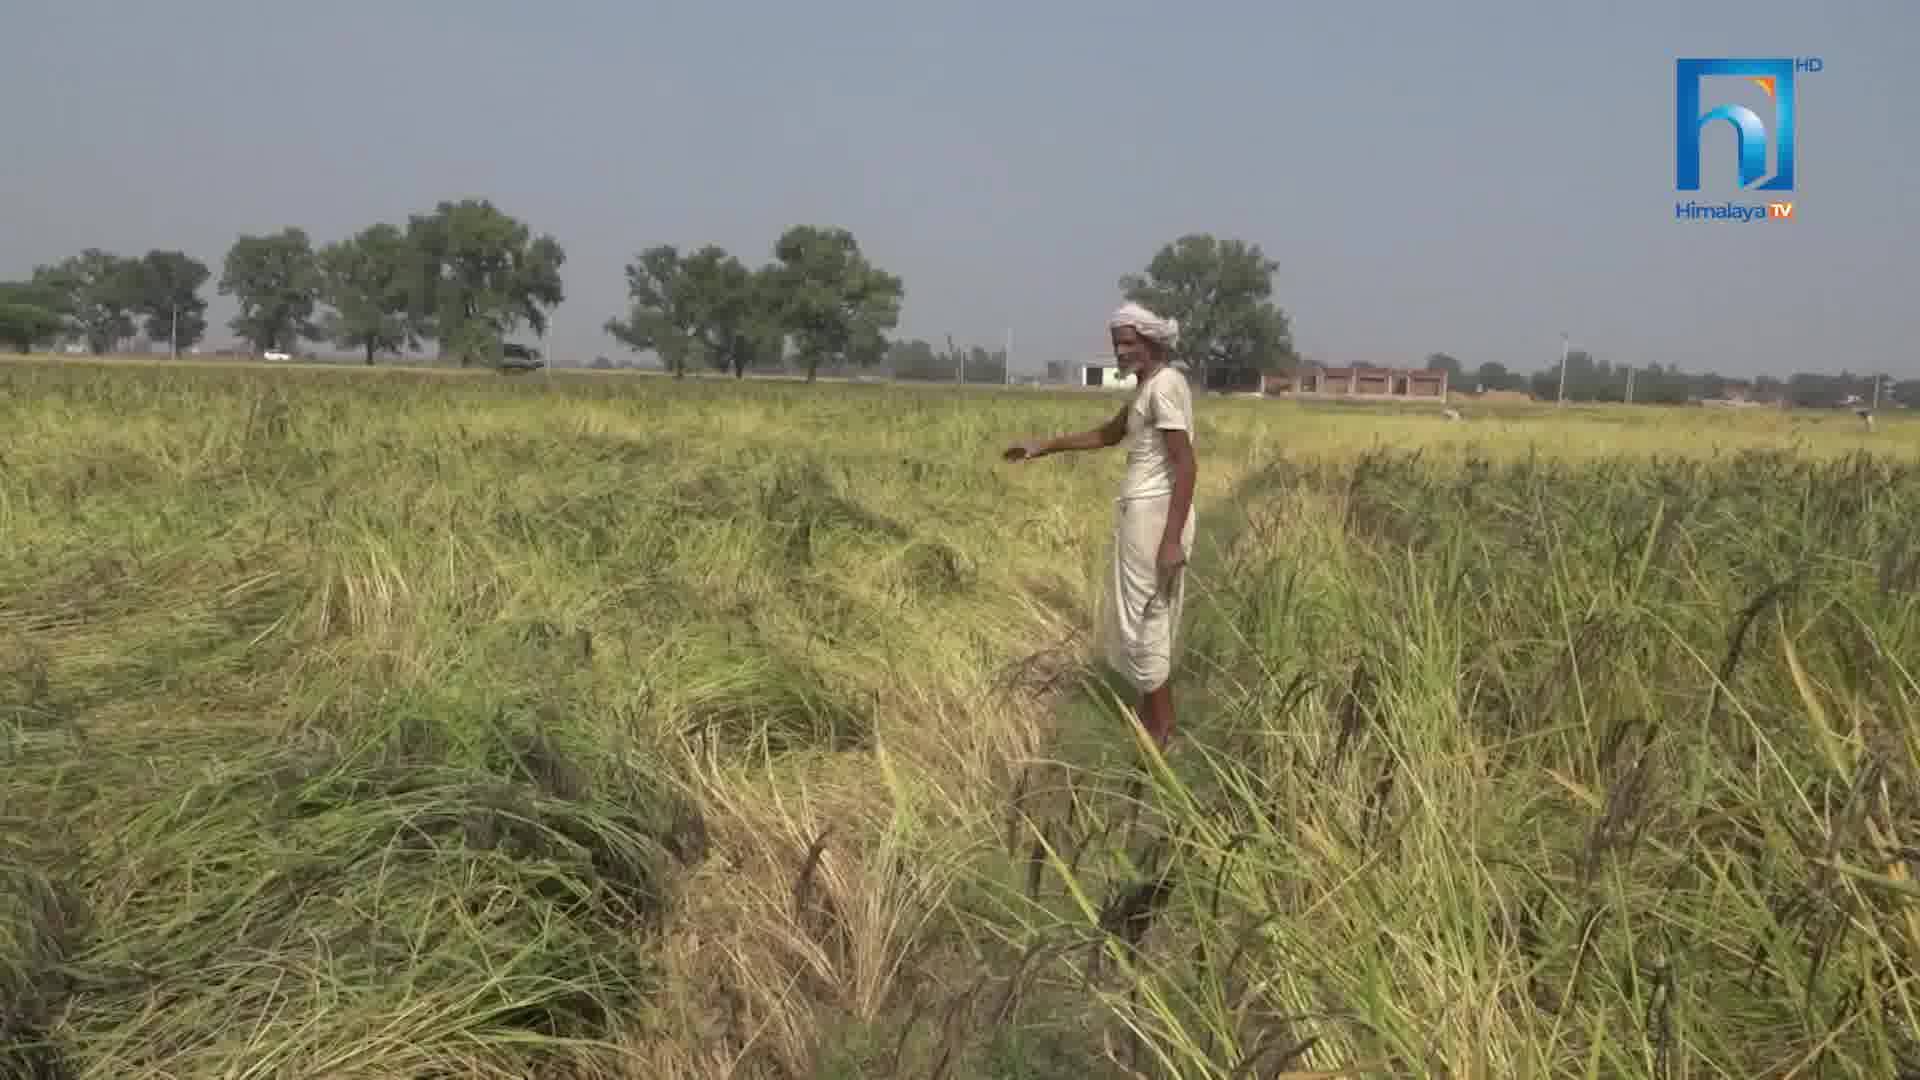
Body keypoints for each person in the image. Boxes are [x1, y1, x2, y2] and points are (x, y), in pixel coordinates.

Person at [1003, 302, 1198, 749]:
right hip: (1146, 514)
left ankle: (1163, 732)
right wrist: (1044, 446)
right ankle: (1151, 715)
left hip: (1155, 516)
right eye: (1117, 345)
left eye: (1129, 343)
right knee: (1147, 614)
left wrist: (1170, 540)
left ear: (1151, 341)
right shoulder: (1149, 388)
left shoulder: (1164, 386)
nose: (1121, 352)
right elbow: (1108, 434)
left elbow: (1186, 465)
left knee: (1146, 617)